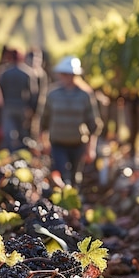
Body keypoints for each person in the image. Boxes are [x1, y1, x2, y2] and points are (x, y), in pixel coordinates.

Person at [37, 55, 103, 187]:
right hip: (57, 143)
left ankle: (74, 201)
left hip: (78, 143)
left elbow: (94, 124)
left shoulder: (85, 95)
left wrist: (91, 148)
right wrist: (42, 142)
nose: (68, 77)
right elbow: (43, 119)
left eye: (70, 74)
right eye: (65, 74)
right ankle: (63, 201)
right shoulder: (52, 94)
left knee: (75, 176)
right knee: (61, 175)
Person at [0, 48, 39, 152]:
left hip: (8, 107)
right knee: (22, 134)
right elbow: (33, 93)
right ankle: (21, 156)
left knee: (8, 135)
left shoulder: (4, 72)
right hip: (22, 107)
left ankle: (9, 155)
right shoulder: (27, 73)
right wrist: (32, 108)